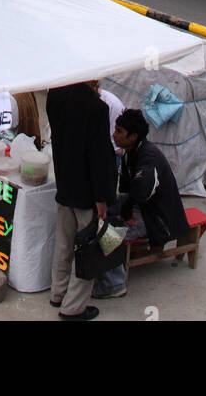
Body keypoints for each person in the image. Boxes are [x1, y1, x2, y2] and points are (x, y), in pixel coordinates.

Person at [92, 108, 190, 299]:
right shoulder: (130, 152)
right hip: (140, 205)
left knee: (107, 233)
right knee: (95, 212)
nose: (114, 134)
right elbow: (126, 193)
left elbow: (141, 193)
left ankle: (115, 284)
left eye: (119, 131)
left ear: (133, 136)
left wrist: (125, 215)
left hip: (156, 217)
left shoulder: (149, 159)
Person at [47, 81, 118, 321]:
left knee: (63, 242)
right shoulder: (96, 108)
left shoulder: (55, 95)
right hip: (87, 192)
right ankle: (73, 307)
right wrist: (101, 197)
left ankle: (57, 292)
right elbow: (98, 157)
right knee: (88, 249)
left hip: (65, 183)